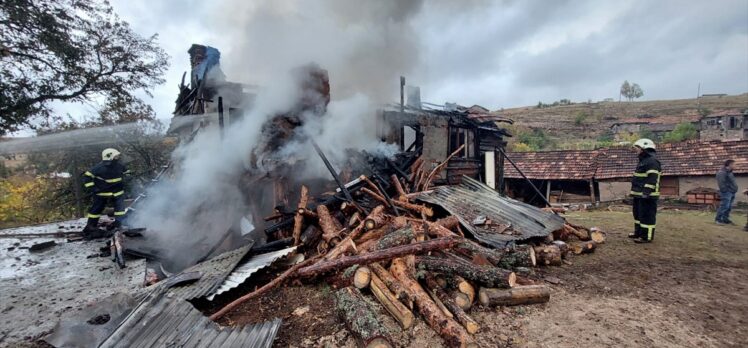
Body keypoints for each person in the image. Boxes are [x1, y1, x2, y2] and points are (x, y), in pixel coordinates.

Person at [81, 148, 130, 238]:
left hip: (117, 192)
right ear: (109, 157)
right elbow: (87, 177)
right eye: (116, 156)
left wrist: (127, 177)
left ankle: (118, 224)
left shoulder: (119, 166)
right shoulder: (98, 168)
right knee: (96, 209)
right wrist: (93, 188)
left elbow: (127, 172)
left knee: (120, 209)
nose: (118, 157)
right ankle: (91, 225)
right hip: (101, 193)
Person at [629, 138, 662, 243]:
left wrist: (646, 192)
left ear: (644, 148)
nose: (636, 150)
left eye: (637, 148)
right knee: (638, 215)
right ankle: (638, 233)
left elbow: (652, 178)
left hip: (648, 195)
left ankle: (646, 237)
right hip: (639, 194)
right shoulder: (643, 161)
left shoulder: (652, 162)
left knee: (647, 217)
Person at [715, 159, 738, 224]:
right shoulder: (722, 172)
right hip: (726, 193)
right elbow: (721, 183)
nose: (736, 166)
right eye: (735, 164)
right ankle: (718, 219)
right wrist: (725, 191)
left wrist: (733, 190)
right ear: (730, 164)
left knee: (729, 207)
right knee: (724, 206)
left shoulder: (730, 172)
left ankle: (725, 219)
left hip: (732, 192)